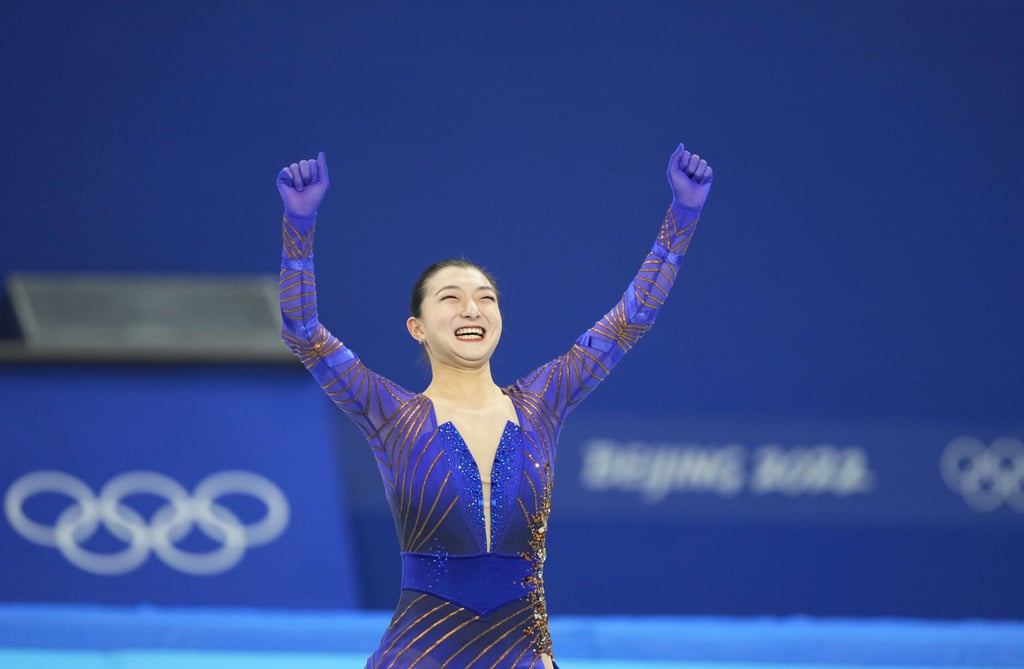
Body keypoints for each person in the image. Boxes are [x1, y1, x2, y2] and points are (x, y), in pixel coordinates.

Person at [277, 144, 712, 669]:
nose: (472, 308)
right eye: (450, 297)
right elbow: (303, 332)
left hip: (520, 656)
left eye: (486, 297)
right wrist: (298, 223)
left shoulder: (542, 403)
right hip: (421, 655)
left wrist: (682, 214)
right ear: (416, 328)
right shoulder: (389, 414)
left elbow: (630, 319)